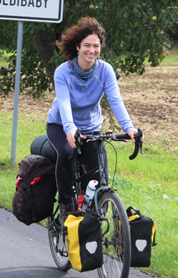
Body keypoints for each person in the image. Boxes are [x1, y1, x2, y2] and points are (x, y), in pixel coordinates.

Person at [46, 17, 138, 225]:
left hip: (90, 128)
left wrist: (129, 128)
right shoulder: (63, 72)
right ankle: (65, 206)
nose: (91, 50)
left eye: (96, 46)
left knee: (98, 177)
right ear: (78, 47)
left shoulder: (105, 70)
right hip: (60, 126)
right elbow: (64, 103)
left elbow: (115, 100)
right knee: (68, 152)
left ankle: (96, 212)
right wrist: (70, 129)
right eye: (87, 45)